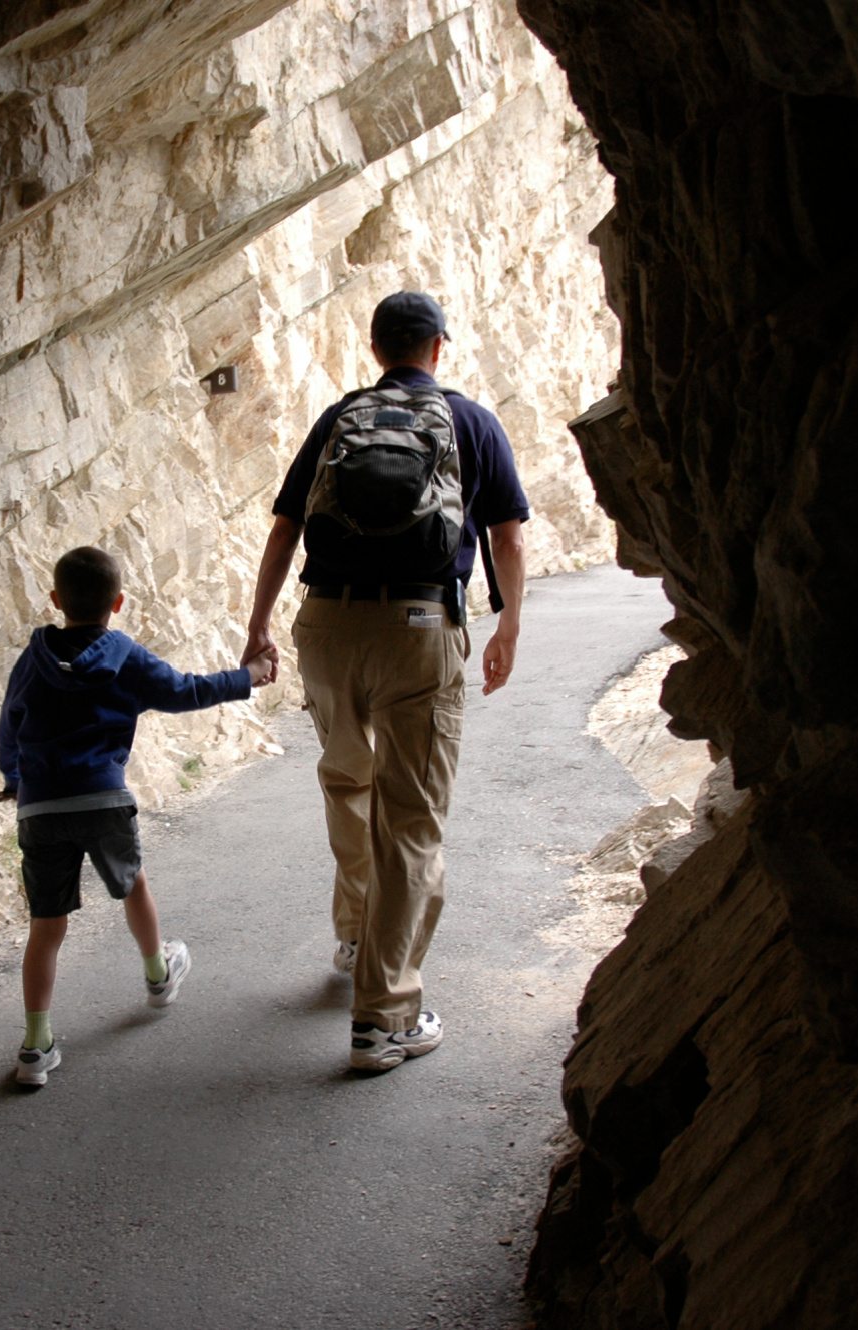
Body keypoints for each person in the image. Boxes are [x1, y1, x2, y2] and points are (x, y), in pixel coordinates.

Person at [242, 290, 528, 1073]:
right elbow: (506, 535)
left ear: (377, 351)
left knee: (347, 781)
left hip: (326, 628)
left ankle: (357, 933)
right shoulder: (470, 422)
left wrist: (260, 624)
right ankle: (384, 1017)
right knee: (411, 820)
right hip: (420, 629)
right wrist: (506, 625)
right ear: (438, 346)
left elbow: (285, 528)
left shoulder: (341, 418)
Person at [0, 545, 278, 1086]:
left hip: (42, 806)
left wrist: (14, 778)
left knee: (46, 928)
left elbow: (10, 727)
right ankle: (157, 974)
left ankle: (35, 1046)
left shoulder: (31, 661)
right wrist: (248, 676)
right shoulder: (121, 655)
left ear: (55, 599)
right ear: (118, 602)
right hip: (103, 798)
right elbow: (184, 691)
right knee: (133, 886)